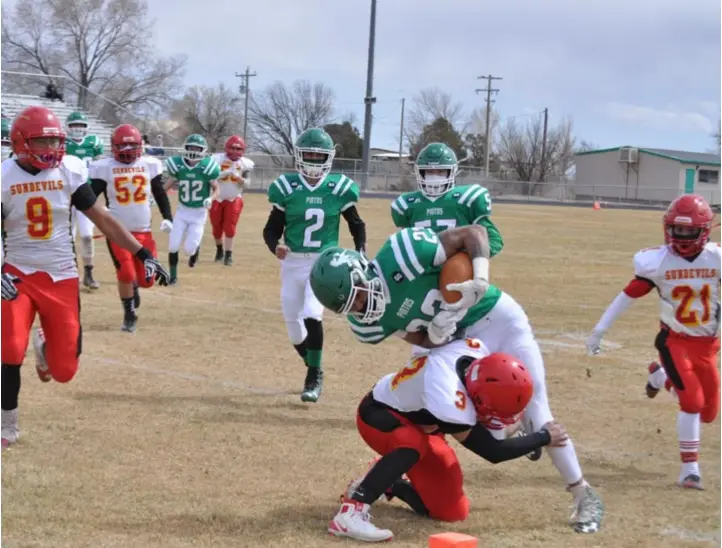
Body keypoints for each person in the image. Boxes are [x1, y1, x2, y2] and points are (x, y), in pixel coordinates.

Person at [309, 225, 603, 533]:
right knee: (457, 419)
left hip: (494, 319)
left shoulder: (400, 254)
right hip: (452, 340)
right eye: (348, 307)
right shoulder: (365, 326)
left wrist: (480, 277)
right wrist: (436, 333)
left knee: (535, 404)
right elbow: (421, 337)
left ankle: (582, 493)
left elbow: (474, 234)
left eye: (357, 296)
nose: (359, 308)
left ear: (362, 271)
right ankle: (400, 470)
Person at [0, 106, 170, 449]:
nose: (51, 147)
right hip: (16, 273)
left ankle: (44, 346)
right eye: (42, 140)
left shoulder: (69, 170)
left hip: (61, 275)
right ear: (20, 143)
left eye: (54, 139)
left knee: (64, 372)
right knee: (9, 347)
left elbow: (104, 219)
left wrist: (144, 253)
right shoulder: (4, 176)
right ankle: (7, 424)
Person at [328, 337, 568, 542]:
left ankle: (389, 481)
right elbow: (492, 451)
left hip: (420, 422)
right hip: (378, 416)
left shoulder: (474, 352)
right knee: (411, 444)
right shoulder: (451, 403)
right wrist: (543, 437)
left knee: (451, 511)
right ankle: (351, 512)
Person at [586, 194, 720, 490]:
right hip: (675, 342)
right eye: (677, 229)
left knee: (709, 413)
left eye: (689, 231)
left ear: (705, 230)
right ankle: (690, 469)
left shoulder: (716, 257)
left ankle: (660, 377)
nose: (682, 237)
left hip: (708, 345)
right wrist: (600, 329)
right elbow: (628, 295)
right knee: (692, 403)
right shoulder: (657, 261)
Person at [262, 127, 366, 403]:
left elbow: (356, 224)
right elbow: (271, 229)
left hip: (324, 264)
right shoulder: (287, 188)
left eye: (318, 155)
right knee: (294, 329)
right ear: (298, 155)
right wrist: (276, 246)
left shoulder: (337, 188)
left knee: (312, 312)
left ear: (328, 158)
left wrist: (361, 252)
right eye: (308, 154)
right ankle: (313, 367)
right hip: (293, 263)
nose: (312, 160)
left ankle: (314, 375)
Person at [390, 142, 504, 359]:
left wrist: (464, 262)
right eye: (429, 171)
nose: (434, 176)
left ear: (452, 172)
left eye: (440, 171)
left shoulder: (466, 198)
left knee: (467, 345)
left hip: (459, 282)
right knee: (424, 355)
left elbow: (493, 240)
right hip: (427, 287)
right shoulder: (408, 205)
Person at [89, 123, 173, 333]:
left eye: (132, 147)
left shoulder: (150, 164)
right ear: (113, 146)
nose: (127, 152)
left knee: (147, 280)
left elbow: (160, 193)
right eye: (123, 147)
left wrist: (168, 217)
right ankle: (129, 314)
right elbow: (89, 197)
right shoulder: (104, 167)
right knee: (125, 273)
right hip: (118, 231)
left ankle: (135, 288)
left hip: (143, 231)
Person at [163, 133, 220, 284]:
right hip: (182, 211)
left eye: (197, 147)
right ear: (186, 148)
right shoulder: (179, 166)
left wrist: (210, 198)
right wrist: (153, 199)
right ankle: (173, 277)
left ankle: (195, 250)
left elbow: (216, 189)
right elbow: (165, 188)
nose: (194, 150)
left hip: (199, 214)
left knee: (189, 249)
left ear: (203, 150)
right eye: (191, 147)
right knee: (173, 245)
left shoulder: (206, 167)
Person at [65, 111, 105, 290]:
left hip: (87, 193)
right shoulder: (63, 144)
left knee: (87, 235)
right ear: (68, 127)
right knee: (68, 236)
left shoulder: (94, 143)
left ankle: (88, 273)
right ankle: (70, 273)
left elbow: (100, 169)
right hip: (67, 195)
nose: (77, 129)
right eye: (74, 125)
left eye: (80, 125)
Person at [210, 135, 254, 266]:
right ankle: (219, 250)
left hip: (234, 198)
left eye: (238, 149)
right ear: (227, 148)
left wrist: (239, 178)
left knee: (230, 227)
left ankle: (228, 255)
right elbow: (208, 176)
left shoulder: (245, 163)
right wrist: (220, 174)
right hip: (217, 198)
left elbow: (247, 184)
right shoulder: (216, 159)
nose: (235, 151)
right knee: (216, 227)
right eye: (232, 148)